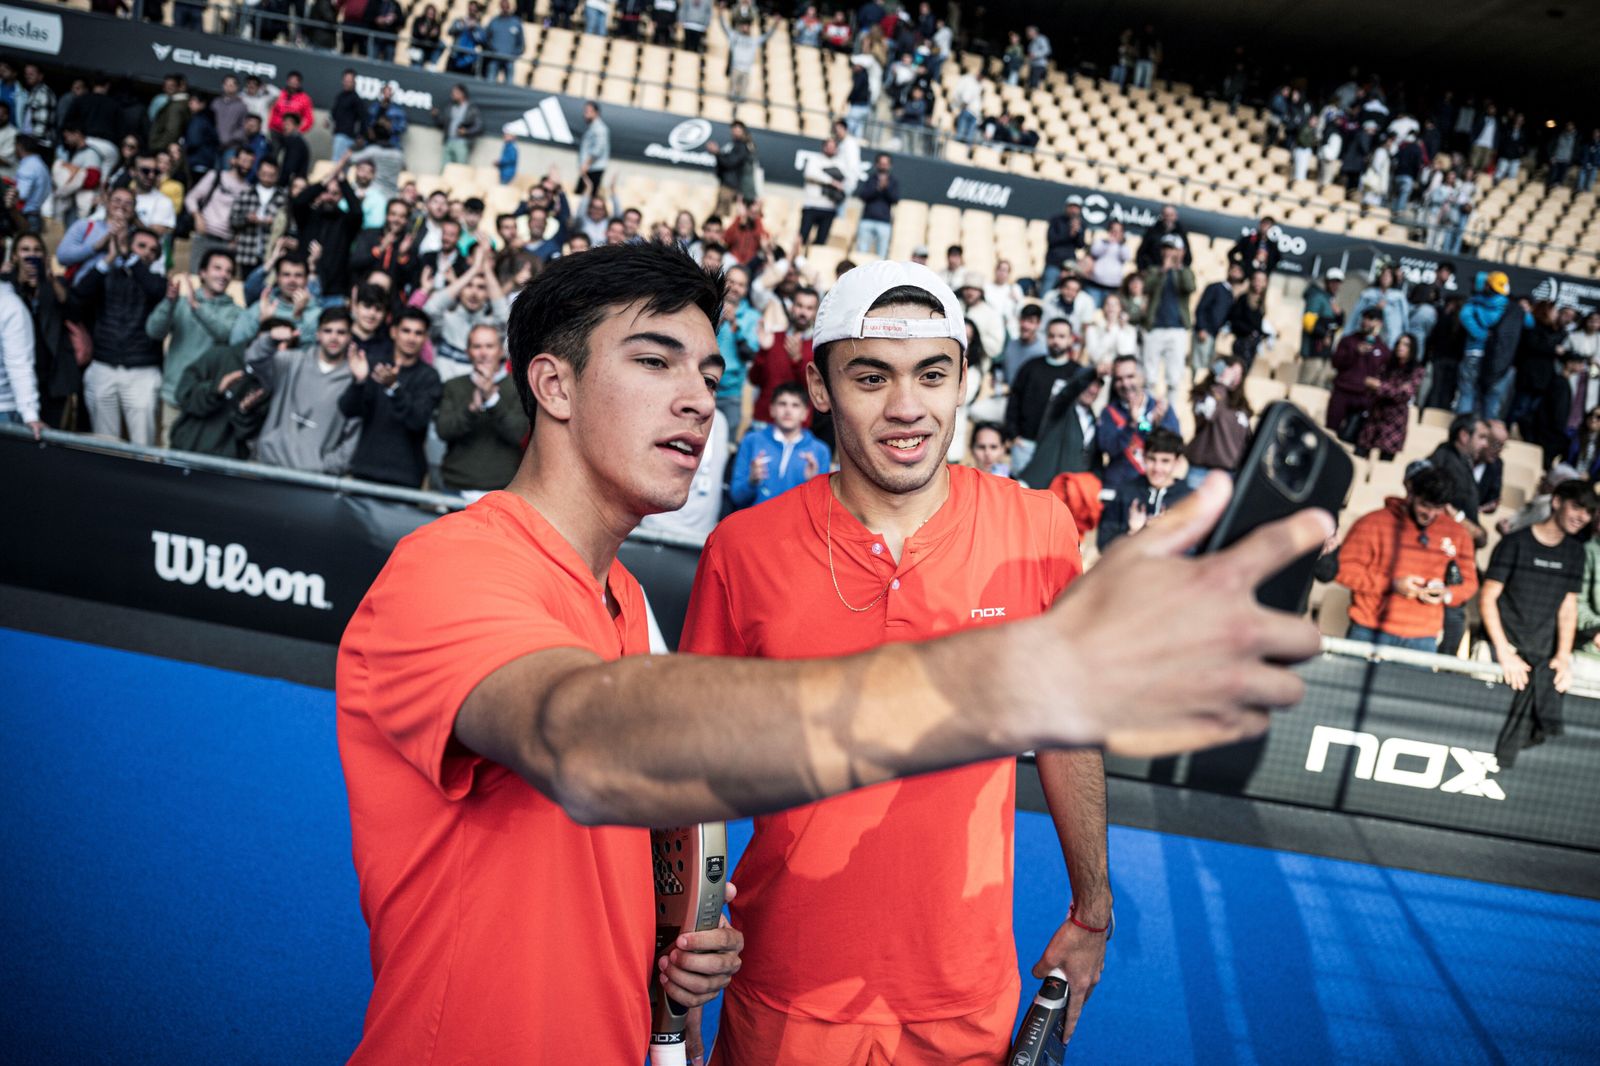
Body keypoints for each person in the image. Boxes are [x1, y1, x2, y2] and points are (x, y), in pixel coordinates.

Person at [336, 241, 1331, 1063]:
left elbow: (663, 820)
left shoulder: (625, 598)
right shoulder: (452, 568)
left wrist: (667, 947)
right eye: (654, 360)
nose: (696, 398)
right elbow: (599, 749)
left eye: (708, 373)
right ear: (550, 382)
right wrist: (1014, 677)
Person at [687, 259, 1111, 1062]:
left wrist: (1093, 910)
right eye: (871, 376)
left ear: (964, 384)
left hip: (964, 1000)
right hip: (781, 992)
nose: (907, 408)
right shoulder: (741, 551)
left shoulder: (1040, 532)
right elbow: (690, 781)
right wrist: (682, 942)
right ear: (819, 389)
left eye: (933, 374)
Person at [1482, 479, 1594, 767]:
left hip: (1541, 658)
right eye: (1578, 507)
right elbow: (1488, 597)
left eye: (1589, 512)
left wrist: (1562, 656)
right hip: (1499, 654)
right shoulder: (1514, 543)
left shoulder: (1575, 553)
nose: (1583, 516)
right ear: (1556, 502)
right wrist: (1505, 652)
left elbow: (1568, 607)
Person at [1335, 466, 1479, 651]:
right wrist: (1391, 585)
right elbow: (1342, 569)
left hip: (1423, 638)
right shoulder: (1372, 523)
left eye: (1438, 508)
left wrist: (1447, 593)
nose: (1430, 514)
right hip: (1369, 630)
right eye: (1425, 505)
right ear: (1410, 495)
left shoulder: (1458, 533)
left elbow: (1469, 583)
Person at [71, 225, 167, 445]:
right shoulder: (106, 274)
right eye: (141, 246)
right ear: (127, 246)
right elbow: (78, 297)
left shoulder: (158, 282)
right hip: (103, 367)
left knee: (144, 447)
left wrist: (131, 260)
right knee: (104, 445)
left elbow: (155, 290)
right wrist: (109, 259)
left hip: (142, 372)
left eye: (153, 250)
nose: (146, 253)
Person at [241, 309, 362, 474]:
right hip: (268, 465)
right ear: (318, 334)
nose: (334, 337)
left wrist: (325, 467)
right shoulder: (292, 361)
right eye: (328, 331)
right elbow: (253, 360)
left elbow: (353, 433)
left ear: (350, 337)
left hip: (313, 479)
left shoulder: (353, 379)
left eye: (341, 332)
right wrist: (269, 339)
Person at [146, 250, 244, 448]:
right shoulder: (180, 303)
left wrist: (197, 307)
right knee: (169, 456)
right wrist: (169, 303)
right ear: (202, 273)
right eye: (217, 268)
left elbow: (225, 334)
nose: (223, 275)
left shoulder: (236, 313)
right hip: (175, 395)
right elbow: (154, 331)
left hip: (211, 400)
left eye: (228, 271)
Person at [340, 308, 443, 487]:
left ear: (425, 337)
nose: (411, 338)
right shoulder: (373, 365)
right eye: (406, 331)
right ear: (393, 332)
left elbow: (418, 420)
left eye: (418, 333)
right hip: (365, 469)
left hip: (405, 476)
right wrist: (359, 381)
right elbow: (348, 410)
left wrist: (394, 387)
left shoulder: (430, 377)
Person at [1005, 318, 1088, 473]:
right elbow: (1014, 399)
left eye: (1061, 336)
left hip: (1059, 449)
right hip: (1026, 444)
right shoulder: (1030, 367)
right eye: (1052, 336)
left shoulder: (1078, 373)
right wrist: (1013, 435)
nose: (1056, 341)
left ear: (1071, 339)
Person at [729, 382, 829, 509]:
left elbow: (821, 508)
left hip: (796, 526)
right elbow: (736, 497)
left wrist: (812, 484)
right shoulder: (751, 441)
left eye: (795, 405)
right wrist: (752, 482)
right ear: (772, 410)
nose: (788, 411)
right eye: (782, 404)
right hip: (754, 523)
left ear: (805, 413)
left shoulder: (820, 451)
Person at [425, 247, 511, 380]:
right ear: (460, 287)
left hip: (482, 393)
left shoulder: (491, 326)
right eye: (469, 285)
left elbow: (505, 319)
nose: (474, 293)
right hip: (445, 394)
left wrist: (487, 270)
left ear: (488, 293)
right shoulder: (446, 321)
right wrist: (474, 269)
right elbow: (430, 309)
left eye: (481, 287)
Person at [1098, 426, 1191, 549]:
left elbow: (1196, 553)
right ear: (1144, 457)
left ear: (1177, 462)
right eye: (1152, 459)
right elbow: (1103, 543)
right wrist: (1132, 532)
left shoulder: (1188, 499)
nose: (1157, 468)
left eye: (1165, 461)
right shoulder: (1126, 491)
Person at [1099, 354, 1179, 490]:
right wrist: (1130, 424)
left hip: (1152, 487)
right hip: (1119, 488)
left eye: (1130, 376)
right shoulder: (1109, 412)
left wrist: (1157, 427)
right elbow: (1109, 449)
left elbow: (1174, 448)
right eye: (1119, 379)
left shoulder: (1160, 407)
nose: (1125, 384)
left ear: (1142, 378)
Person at [746, 285, 818, 418]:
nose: (803, 312)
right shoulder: (773, 337)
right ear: (791, 307)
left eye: (809, 308)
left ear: (815, 312)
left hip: (797, 426)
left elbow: (815, 390)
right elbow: (754, 379)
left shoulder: (818, 345)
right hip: (764, 420)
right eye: (799, 305)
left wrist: (797, 360)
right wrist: (763, 351)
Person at [1138, 235, 1194, 399]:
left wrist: (1178, 267)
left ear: (1181, 252)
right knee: (1149, 376)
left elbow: (1189, 287)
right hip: (1154, 327)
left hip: (1177, 328)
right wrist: (1163, 270)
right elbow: (1146, 287)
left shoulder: (1185, 272)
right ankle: (1147, 411)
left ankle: (1169, 416)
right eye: (1166, 248)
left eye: (1172, 248)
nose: (1168, 252)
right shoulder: (1154, 271)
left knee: (1174, 378)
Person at [185, 147, 255, 272]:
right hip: (204, 236)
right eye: (244, 160)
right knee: (196, 275)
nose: (246, 165)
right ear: (233, 160)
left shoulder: (249, 190)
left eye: (250, 162)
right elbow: (191, 198)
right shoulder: (216, 176)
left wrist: (237, 239)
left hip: (227, 243)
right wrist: (197, 216)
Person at [1354, 333, 1423, 461]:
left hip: (1394, 421)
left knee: (1384, 463)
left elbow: (1404, 394)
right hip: (1375, 415)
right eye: (1399, 344)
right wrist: (1386, 388)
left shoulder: (1416, 370)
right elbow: (1370, 385)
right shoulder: (1387, 365)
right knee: (1360, 454)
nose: (1400, 347)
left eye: (1406, 345)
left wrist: (1380, 386)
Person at [1186, 355, 1252, 487]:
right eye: (1232, 372)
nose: (1235, 377)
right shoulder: (1204, 395)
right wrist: (1221, 385)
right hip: (1201, 471)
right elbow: (1208, 413)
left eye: (1239, 374)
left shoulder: (1241, 405)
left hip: (1229, 473)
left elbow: (1246, 440)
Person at [1326, 307, 1390, 438]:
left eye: (1371, 319)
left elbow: (1383, 374)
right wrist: (1355, 352)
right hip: (1342, 392)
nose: (1366, 322)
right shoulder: (1348, 340)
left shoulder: (1383, 349)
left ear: (1380, 323)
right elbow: (1335, 363)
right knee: (1330, 432)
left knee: (1353, 437)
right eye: (1365, 318)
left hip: (1363, 397)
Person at [1193, 261, 1242, 377]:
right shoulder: (1215, 287)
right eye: (1234, 269)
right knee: (1199, 367)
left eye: (1239, 271)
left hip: (1214, 335)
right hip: (1204, 333)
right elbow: (1200, 308)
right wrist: (1201, 328)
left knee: (1207, 367)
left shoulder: (1231, 295)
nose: (1235, 273)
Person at [1298, 267, 1345, 387]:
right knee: (1305, 385)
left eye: (1338, 282)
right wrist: (1324, 335)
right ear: (1327, 282)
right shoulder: (1317, 297)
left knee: (1318, 386)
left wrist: (1340, 315)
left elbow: (1336, 326)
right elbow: (1308, 322)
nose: (1336, 285)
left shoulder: (1331, 300)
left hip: (1325, 353)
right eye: (1333, 282)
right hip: (1313, 351)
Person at [1353, 265, 1411, 350]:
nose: (1385, 278)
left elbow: (1404, 320)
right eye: (1384, 275)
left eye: (1389, 275)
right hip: (1369, 338)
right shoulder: (1368, 294)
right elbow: (1356, 315)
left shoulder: (1399, 297)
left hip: (1390, 340)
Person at [854, 153, 898, 259]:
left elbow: (895, 199)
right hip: (867, 220)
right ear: (877, 164)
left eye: (885, 164)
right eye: (881, 163)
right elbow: (863, 195)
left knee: (882, 255)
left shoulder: (893, 181)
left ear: (890, 165)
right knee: (861, 252)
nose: (883, 166)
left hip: (884, 222)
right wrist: (878, 188)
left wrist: (886, 188)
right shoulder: (870, 179)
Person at [1042, 200, 1087, 296]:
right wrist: (1069, 233)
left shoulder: (1080, 224)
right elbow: (1052, 240)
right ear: (1067, 207)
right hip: (1054, 263)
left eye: (1076, 207)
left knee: (1068, 293)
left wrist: (1078, 232)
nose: (1074, 210)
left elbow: (1081, 245)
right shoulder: (1056, 220)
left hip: (1069, 266)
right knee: (1046, 291)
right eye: (1072, 207)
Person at [435, 84, 483, 167]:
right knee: (445, 169)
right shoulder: (451, 107)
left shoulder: (471, 108)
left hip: (462, 142)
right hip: (449, 141)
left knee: (460, 169)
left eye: (455, 92)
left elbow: (479, 126)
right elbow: (443, 122)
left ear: (462, 94)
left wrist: (466, 131)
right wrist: (437, 115)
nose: (452, 95)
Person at [1000, 303, 1047, 384]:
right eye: (1023, 319)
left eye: (1031, 321)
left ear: (1038, 324)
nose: (1025, 325)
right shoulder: (1011, 345)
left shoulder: (1043, 351)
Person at [484, 0, 527, 82]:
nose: (504, 9)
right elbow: (486, 38)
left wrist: (514, 54)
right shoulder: (494, 21)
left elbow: (521, 43)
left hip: (509, 60)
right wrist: (491, 50)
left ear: (509, 7)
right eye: (502, 7)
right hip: (494, 59)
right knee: (490, 82)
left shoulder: (516, 22)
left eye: (506, 7)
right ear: (500, 7)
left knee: (509, 85)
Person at [576, 100, 609, 197]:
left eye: (588, 111)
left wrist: (586, 164)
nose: (585, 114)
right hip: (589, 168)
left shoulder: (599, 129)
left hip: (593, 168)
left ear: (596, 113)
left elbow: (598, 149)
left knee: (588, 196)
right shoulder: (593, 127)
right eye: (585, 111)